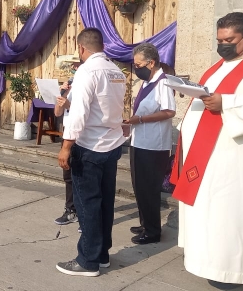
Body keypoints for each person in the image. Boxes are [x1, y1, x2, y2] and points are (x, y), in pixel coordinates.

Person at [172, 12, 243, 289]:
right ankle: (208, 262)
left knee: (231, 215)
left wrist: (226, 102)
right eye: (219, 40)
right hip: (206, 157)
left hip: (236, 159)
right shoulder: (217, 67)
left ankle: (235, 271)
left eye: (229, 39)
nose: (222, 44)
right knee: (210, 214)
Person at [56, 28, 126, 277]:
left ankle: (88, 260)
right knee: (105, 202)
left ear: (82, 48)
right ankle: (102, 254)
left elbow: (79, 113)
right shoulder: (116, 71)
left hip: (89, 146)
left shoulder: (87, 71)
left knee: (87, 204)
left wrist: (66, 146)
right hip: (112, 144)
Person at [124, 43, 176, 245]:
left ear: (151, 62)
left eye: (139, 64)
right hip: (140, 140)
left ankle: (153, 232)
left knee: (149, 188)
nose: (136, 68)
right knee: (140, 187)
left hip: (154, 145)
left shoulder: (163, 83)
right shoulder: (147, 83)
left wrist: (141, 120)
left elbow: (169, 111)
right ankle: (145, 223)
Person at [53, 55, 80, 227]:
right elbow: (57, 113)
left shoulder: (86, 85)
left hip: (81, 136)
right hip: (67, 134)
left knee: (81, 176)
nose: (73, 69)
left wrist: (69, 105)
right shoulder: (69, 86)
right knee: (68, 176)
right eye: (72, 67)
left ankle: (84, 214)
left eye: (76, 66)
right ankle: (71, 210)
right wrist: (62, 94)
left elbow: (87, 112)